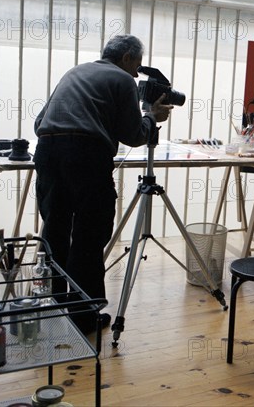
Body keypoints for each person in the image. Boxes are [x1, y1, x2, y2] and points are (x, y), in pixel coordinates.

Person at [33, 34, 173, 334]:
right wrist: (151, 116)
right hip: (85, 156)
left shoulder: (75, 71)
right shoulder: (122, 80)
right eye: (136, 65)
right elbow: (134, 136)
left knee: (56, 229)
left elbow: (39, 122)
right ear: (126, 59)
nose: (137, 74)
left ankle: (56, 307)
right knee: (89, 234)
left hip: (47, 152)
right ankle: (84, 316)